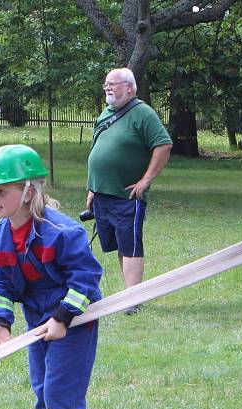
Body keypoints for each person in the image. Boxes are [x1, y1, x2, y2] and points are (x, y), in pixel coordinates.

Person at [0, 144, 103, 409]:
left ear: (29, 190)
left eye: (2, 190)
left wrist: (63, 317)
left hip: (75, 323)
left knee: (62, 395)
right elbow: (0, 283)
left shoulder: (61, 232)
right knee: (43, 395)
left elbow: (86, 278)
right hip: (38, 325)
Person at [85, 67, 173, 315]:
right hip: (102, 193)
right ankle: (128, 293)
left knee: (131, 245)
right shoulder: (106, 113)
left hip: (127, 195)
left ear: (130, 87)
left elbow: (163, 145)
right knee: (119, 245)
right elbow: (97, 148)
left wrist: (145, 180)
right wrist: (92, 187)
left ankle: (133, 299)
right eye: (106, 84)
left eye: (113, 83)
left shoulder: (143, 113)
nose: (108, 88)